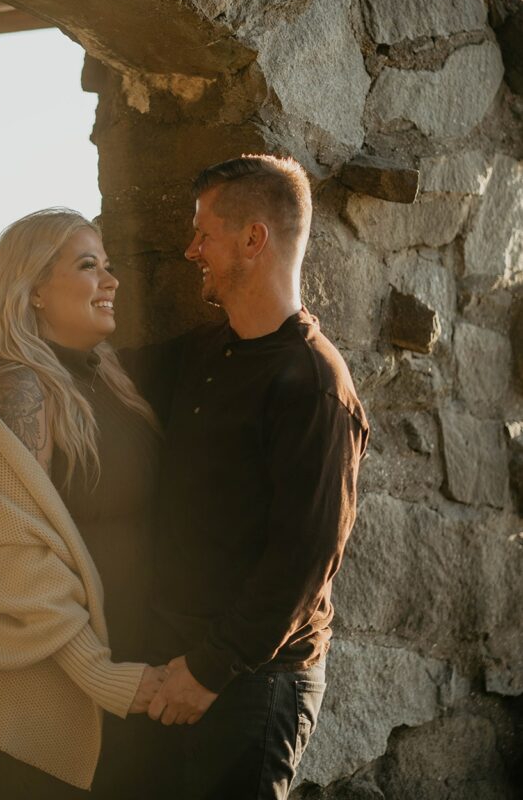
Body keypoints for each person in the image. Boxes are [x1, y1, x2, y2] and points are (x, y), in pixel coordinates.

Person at [122, 155, 369, 800]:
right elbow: (101, 375)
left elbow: (305, 557)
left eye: (204, 233)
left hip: (253, 684)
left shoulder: (316, 384)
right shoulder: (204, 353)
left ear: (254, 239)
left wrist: (205, 672)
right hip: (173, 665)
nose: (190, 249)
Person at [0, 208, 166, 799]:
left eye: (107, 266)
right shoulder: (17, 385)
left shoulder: (108, 379)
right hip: (21, 710)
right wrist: (99, 675)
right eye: (87, 267)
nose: (111, 282)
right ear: (32, 292)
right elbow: (8, 548)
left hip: (112, 693)